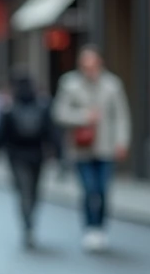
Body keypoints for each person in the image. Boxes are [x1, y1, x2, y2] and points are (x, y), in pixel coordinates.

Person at [52, 45, 131, 252]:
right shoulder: (69, 84)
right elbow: (59, 113)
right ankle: (89, 228)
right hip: (81, 149)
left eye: (92, 65)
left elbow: (121, 116)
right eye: (85, 65)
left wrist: (122, 142)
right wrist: (83, 117)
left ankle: (100, 228)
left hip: (106, 147)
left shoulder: (113, 85)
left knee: (103, 190)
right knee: (88, 189)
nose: (89, 69)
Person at [0, 69, 60, 249]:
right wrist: (59, 154)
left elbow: (0, 135)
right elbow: (52, 133)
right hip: (37, 155)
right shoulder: (42, 106)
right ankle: (30, 220)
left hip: (17, 156)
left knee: (24, 191)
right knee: (33, 191)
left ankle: (27, 223)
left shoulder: (10, 108)